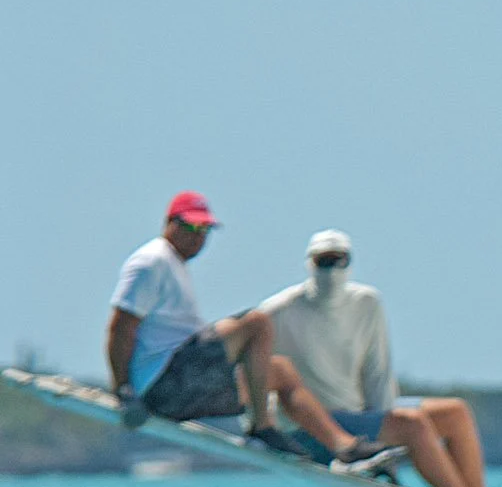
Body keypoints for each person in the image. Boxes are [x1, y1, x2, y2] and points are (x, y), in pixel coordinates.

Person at [106, 191, 391, 471]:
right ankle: (262, 426)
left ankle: (344, 447)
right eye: (190, 226)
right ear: (169, 223)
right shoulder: (152, 260)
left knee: (279, 371)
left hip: (181, 386)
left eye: (205, 228)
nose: (198, 235)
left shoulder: (173, 264)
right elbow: (120, 327)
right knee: (257, 323)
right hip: (162, 385)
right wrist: (124, 390)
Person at [259, 230, 492, 487]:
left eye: (339, 260)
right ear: (310, 264)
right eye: (324, 260)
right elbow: (255, 373)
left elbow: (377, 371)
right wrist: (262, 426)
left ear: (350, 263)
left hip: (358, 415)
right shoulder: (277, 311)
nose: (332, 269)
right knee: (412, 425)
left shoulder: (367, 302)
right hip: (312, 429)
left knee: (455, 413)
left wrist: (383, 431)